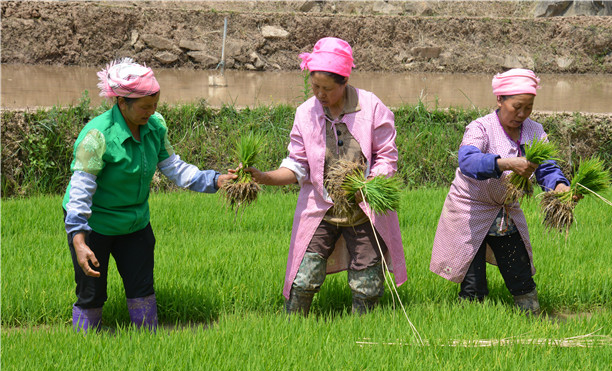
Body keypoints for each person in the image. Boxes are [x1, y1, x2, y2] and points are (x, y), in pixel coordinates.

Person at [63, 58, 237, 332]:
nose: (151, 111)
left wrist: (215, 180)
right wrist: (78, 238)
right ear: (122, 103)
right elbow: (81, 189)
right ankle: (84, 343)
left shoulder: (155, 127)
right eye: (145, 107)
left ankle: (147, 339)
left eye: (155, 105)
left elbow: (174, 167)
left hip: (135, 222)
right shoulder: (97, 136)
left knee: (141, 287)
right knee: (91, 291)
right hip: (95, 223)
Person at [247, 37, 407, 316]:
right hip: (321, 208)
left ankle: (364, 328)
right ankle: (292, 325)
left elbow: (386, 156)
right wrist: (264, 177)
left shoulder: (371, 107)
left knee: (367, 283)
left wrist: (371, 184)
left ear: (344, 82)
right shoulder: (305, 113)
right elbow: (297, 165)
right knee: (303, 275)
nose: (320, 94)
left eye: (328, 89)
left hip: (363, 209)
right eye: (315, 87)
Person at [430, 68, 575, 315]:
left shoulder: (534, 131)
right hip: (469, 209)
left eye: (528, 108)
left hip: (505, 211)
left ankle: (532, 316)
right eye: (516, 107)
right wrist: (506, 163)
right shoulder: (481, 128)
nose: (522, 114)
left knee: (520, 273)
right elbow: (468, 161)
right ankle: (471, 324)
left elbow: (547, 168)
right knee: (473, 283)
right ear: (500, 99)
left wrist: (560, 188)